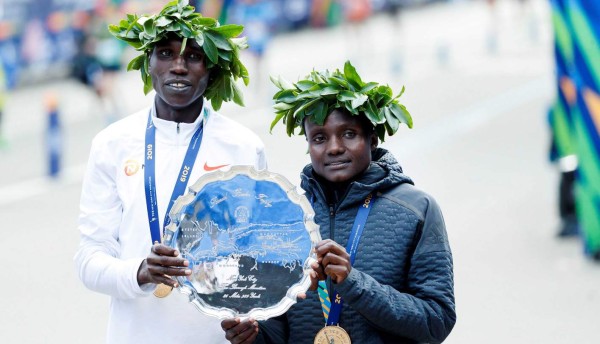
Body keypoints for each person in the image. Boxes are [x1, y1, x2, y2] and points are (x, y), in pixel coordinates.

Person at [222, 61, 456, 343]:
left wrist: (354, 284)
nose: (334, 147)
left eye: (349, 134)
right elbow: (278, 326)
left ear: (372, 139)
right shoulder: (286, 215)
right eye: (319, 137)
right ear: (308, 146)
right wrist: (254, 336)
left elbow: (436, 320)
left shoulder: (416, 209)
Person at [74, 1, 266, 343]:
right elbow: (89, 261)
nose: (178, 66)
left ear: (212, 70)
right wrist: (140, 272)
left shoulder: (243, 147)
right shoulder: (111, 145)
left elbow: (261, 256)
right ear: (148, 64)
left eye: (193, 56)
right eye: (165, 53)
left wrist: (254, 320)